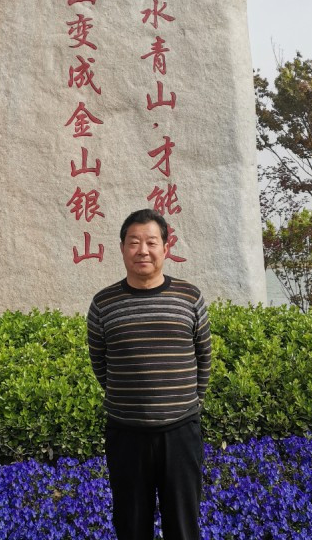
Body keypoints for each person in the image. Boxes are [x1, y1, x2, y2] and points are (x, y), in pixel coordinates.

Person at [87, 208, 212, 540]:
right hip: (126, 434)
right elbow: (99, 361)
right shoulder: (103, 304)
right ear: (122, 248)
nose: (142, 250)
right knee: (131, 526)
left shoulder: (189, 297)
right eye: (134, 242)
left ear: (165, 248)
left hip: (181, 433)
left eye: (151, 242)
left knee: (183, 526)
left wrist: (189, 403)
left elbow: (204, 356)